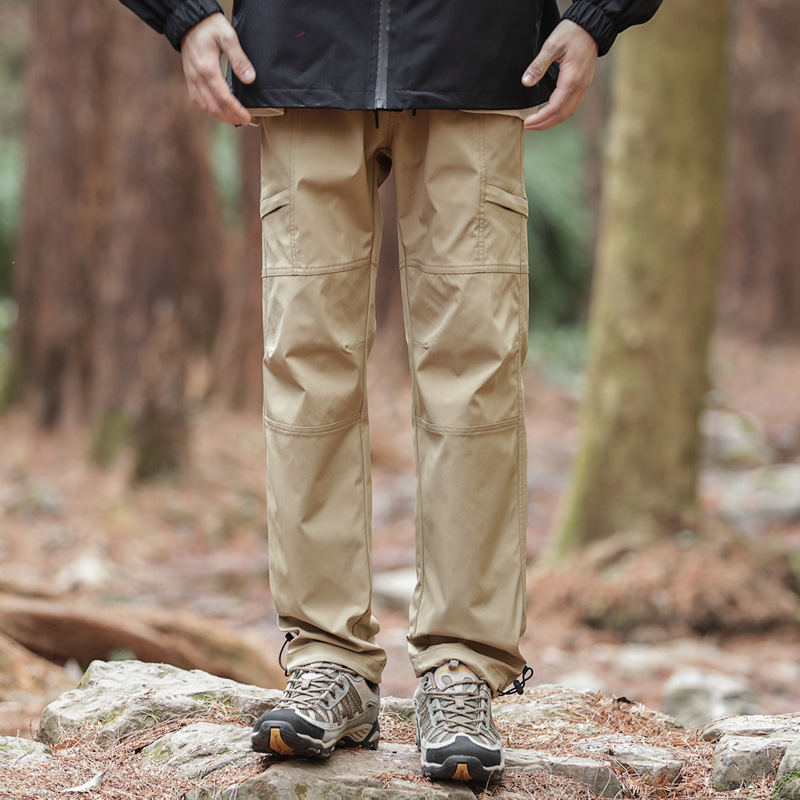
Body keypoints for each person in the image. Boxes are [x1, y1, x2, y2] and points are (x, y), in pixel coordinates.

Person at [119, 0, 661, 784]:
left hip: (476, 57)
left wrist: (598, 18)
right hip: (301, 57)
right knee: (306, 370)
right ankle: (329, 662)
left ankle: (463, 668)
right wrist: (185, 15)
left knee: (475, 377)